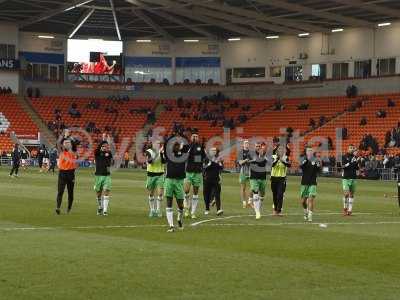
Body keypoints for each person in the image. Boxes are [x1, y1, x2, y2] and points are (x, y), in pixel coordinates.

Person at [160, 136, 187, 232]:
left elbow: (187, 145)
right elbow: (166, 143)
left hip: (179, 181)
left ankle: (179, 219)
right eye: (174, 144)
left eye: (177, 144)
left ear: (180, 146)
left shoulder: (183, 154)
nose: (175, 146)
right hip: (169, 181)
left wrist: (181, 136)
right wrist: (172, 137)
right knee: (169, 202)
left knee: (181, 205)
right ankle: (171, 226)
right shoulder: (169, 155)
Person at [183, 133, 206, 219]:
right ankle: (186, 208)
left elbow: (203, 157)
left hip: (197, 172)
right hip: (188, 171)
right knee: (186, 190)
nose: (195, 138)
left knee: (195, 192)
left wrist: (196, 159)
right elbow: (185, 156)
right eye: (193, 136)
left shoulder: (200, 147)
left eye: (196, 136)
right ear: (191, 138)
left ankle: (193, 212)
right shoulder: (188, 146)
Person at [55, 138, 78, 215]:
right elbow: (57, 144)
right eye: (65, 143)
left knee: (70, 192)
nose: (67, 144)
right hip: (62, 173)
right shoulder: (61, 151)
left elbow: (75, 145)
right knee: (60, 191)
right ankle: (58, 207)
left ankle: (69, 208)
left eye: (68, 143)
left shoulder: (73, 151)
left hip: (71, 173)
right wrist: (65, 136)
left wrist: (70, 140)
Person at [300, 147, 322, 222]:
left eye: (311, 150)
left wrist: (319, 164)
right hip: (304, 182)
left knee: (310, 199)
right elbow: (301, 167)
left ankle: (310, 216)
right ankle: (305, 211)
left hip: (313, 182)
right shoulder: (303, 159)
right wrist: (306, 160)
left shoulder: (316, 160)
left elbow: (319, 170)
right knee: (303, 201)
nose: (310, 152)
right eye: (308, 150)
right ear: (306, 152)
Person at [94, 134, 113, 216]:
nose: (105, 147)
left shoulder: (109, 153)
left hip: (107, 176)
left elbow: (111, 159)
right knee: (98, 193)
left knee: (106, 191)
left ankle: (105, 210)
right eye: (104, 146)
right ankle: (100, 206)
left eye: (106, 146)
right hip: (98, 175)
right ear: (101, 146)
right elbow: (98, 148)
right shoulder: (97, 153)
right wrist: (103, 139)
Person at [145, 140, 164, 218]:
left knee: (160, 193)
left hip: (160, 174)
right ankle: (152, 210)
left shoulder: (162, 152)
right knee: (151, 193)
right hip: (151, 174)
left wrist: (162, 154)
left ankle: (158, 210)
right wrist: (156, 154)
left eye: (159, 144)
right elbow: (150, 162)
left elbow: (164, 162)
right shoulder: (149, 151)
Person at [270, 144, 291, 216]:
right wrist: (277, 159)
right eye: (279, 149)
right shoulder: (273, 157)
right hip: (273, 178)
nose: (281, 150)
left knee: (280, 194)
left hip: (282, 178)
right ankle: (275, 209)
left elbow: (289, 165)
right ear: (277, 150)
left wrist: (282, 161)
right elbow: (272, 165)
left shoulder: (285, 157)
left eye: (282, 149)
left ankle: (279, 211)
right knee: (274, 195)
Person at [249, 142, 268, 220]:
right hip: (254, 177)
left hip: (263, 177)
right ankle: (257, 212)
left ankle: (258, 209)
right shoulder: (252, 155)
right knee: (256, 194)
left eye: (259, 146)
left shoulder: (265, 156)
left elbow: (264, 162)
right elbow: (252, 162)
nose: (258, 148)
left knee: (262, 194)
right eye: (257, 146)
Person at [203, 147, 224, 216]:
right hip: (207, 179)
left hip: (216, 179)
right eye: (212, 150)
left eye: (215, 150)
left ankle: (218, 209)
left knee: (217, 195)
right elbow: (205, 168)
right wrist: (212, 163)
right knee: (207, 195)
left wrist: (219, 163)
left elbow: (221, 168)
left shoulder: (219, 159)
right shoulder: (207, 158)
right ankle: (207, 209)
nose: (214, 151)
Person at [341, 145, 360, 216]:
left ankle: (350, 210)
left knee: (351, 194)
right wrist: (350, 162)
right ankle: (345, 208)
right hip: (346, 178)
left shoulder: (354, 158)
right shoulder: (344, 157)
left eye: (353, 148)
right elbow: (343, 166)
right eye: (350, 148)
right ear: (348, 149)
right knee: (346, 194)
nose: (352, 149)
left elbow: (357, 168)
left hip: (353, 178)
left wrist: (357, 162)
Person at [237, 140, 252, 208]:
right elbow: (240, 162)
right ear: (243, 145)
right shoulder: (241, 152)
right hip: (243, 171)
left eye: (247, 143)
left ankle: (249, 200)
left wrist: (250, 161)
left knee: (253, 186)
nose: (247, 144)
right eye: (245, 143)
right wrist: (246, 160)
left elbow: (254, 160)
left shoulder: (251, 152)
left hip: (250, 170)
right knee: (243, 187)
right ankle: (244, 202)